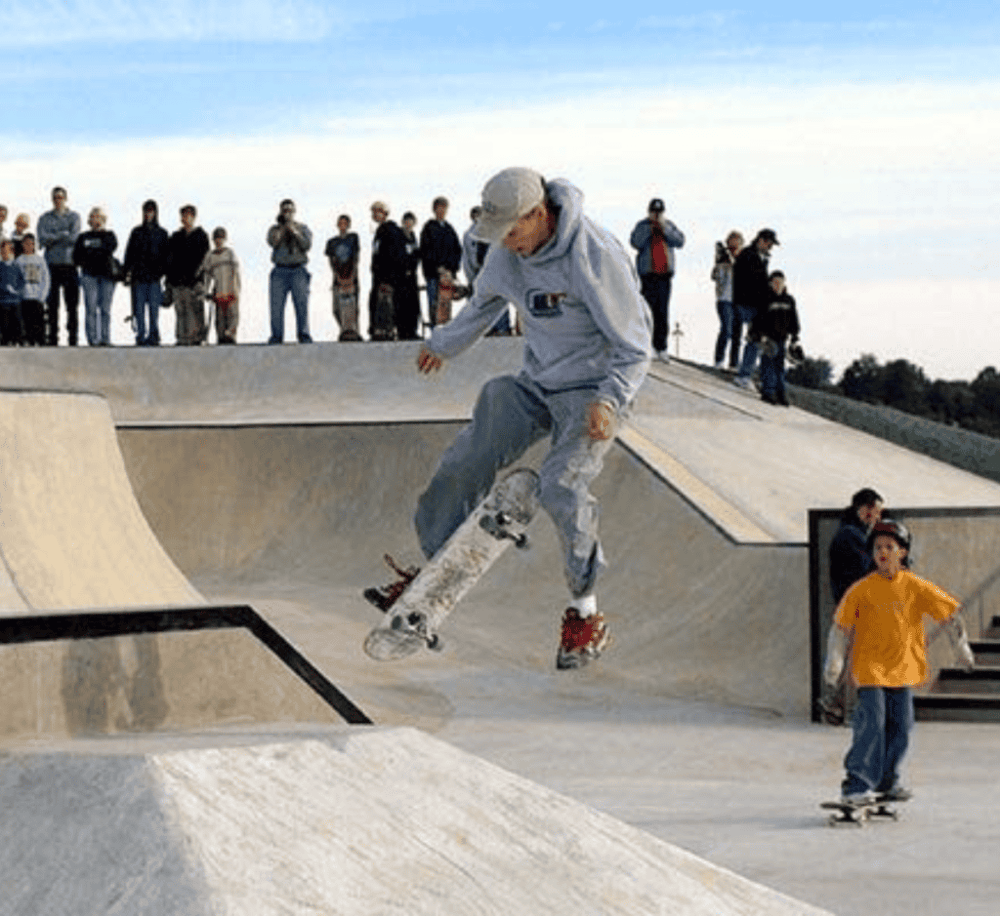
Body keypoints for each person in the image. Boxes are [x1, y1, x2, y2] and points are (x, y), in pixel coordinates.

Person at [365, 167, 651, 670]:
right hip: (537, 384)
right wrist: (442, 345)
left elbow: (635, 344)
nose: (507, 244)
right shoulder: (505, 253)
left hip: (594, 393)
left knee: (560, 487)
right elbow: (482, 307)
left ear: (538, 215)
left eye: (513, 232)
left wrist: (611, 398)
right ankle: (432, 572)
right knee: (469, 449)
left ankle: (586, 611)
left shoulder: (595, 254)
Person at [823, 519, 974, 804]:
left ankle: (887, 780)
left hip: (903, 668)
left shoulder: (916, 586)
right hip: (869, 669)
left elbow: (949, 615)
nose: (883, 552)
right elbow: (839, 628)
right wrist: (834, 661)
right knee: (872, 723)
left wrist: (961, 646)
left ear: (902, 552)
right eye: (878, 547)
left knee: (901, 728)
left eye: (889, 547)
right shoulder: (861, 589)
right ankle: (856, 784)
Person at [629, 197, 684, 362]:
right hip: (648, 275)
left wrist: (664, 228)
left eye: (659, 212)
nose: (656, 214)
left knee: (662, 311)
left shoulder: (669, 225)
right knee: (648, 311)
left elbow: (680, 241)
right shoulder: (642, 226)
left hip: (664, 276)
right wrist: (650, 229)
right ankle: (648, 345)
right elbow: (635, 242)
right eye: (654, 211)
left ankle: (662, 347)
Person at [732, 228, 779, 389]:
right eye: (769, 245)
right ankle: (743, 375)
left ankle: (745, 373)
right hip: (747, 303)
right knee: (754, 338)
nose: (770, 248)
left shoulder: (759, 257)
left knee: (755, 338)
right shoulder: (748, 256)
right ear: (761, 240)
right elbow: (753, 283)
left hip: (753, 304)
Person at [37, 186, 81, 346]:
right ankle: (53, 339)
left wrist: (53, 238)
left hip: (70, 265)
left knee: (72, 305)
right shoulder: (44, 218)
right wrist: (63, 234)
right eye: (55, 197)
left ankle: (73, 339)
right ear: (52, 199)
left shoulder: (74, 217)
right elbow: (41, 239)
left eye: (61, 197)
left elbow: (74, 238)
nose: (58, 200)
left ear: (66, 199)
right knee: (52, 305)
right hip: (51, 266)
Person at [123, 199, 169, 346]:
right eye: (146, 211)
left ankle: (154, 336)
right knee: (139, 310)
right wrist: (127, 273)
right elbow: (128, 254)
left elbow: (166, 257)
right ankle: (141, 336)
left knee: (154, 311)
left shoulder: (162, 233)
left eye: (151, 211)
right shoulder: (136, 232)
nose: (148, 214)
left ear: (155, 213)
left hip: (154, 278)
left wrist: (161, 273)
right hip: (138, 278)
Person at [266, 199, 313, 344]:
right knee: (276, 306)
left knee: (302, 304)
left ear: (294, 212)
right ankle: (276, 336)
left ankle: (303, 334)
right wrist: (282, 228)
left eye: (290, 210)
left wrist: (294, 231)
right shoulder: (274, 229)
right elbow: (272, 242)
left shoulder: (303, 228)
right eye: (284, 210)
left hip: (298, 269)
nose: (287, 213)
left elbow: (307, 245)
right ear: (280, 211)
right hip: (280, 270)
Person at [165, 205, 210, 346]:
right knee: (180, 312)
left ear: (194, 217)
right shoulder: (175, 237)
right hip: (177, 282)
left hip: (194, 282)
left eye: (188, 215)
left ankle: (196, 339)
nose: (185, 218)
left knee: (195, 311)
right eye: (183, 215)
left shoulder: (201, 236)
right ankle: (182, 339)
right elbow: (169, 260)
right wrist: (169, 281)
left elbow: (205, 260)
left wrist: (200, 280)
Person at [73, 207, 118, 347]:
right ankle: (93, 340)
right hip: (88, 276)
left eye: (98, 217)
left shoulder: (110, 235)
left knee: (105, 309)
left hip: (107, 277)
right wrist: (95, 253)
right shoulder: (83, 237)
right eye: (93, 217)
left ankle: (105, 338)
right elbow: (77, 256)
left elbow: (110, 248)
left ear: (103, 219)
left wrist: (91, 252)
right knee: (91, 308)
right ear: (89, 220)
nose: (96, 219)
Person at [755, 270, 800, 406]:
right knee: (768, 366)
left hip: (782, 338)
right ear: (770, 283)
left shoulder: (789, 300)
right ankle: (768, 393)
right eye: (775, 283)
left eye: (780, 282)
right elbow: (759, 319)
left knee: (780, 368)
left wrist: (795, 336)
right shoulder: (765, 299)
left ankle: (781, 394)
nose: (777, 285)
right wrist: (760, 335)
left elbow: (794, 319)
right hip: (768, 338)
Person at [419, 196, 463, 330]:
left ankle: (446, 332)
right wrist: (438, 267)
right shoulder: (428, 228)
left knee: (446, 305)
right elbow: (425, 250)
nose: (442, 210)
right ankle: (435, 331)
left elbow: (457, 250)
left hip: (448, 275)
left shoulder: (449, 229)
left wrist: (452, 269)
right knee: (434, 303)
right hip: (434, 273)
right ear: (434, 209)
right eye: (439, 207)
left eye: (444, 208)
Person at [368, 201, 406, 341]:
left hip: (387, 277)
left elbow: (393, 256)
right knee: (377, 304)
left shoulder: (391, 230)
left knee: (386, 304)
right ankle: (379, 330)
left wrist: (388, 278)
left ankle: (388, 331)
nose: (374, 214)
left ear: (384, 213)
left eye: (377, 211)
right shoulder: (379, 231)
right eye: (373, 212)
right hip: (378, 277)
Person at [201, 227, 241, 344]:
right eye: (216, 239)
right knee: (220, 320)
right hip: (218, 292)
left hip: (230, 290)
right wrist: (206, 291)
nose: (218, 241)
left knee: (232, 316)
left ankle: (231, 336)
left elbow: (236, 272)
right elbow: (207, 276)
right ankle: (221, 338)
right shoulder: (210, 256)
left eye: (221, 238)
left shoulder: (230, 253)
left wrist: (236, 289)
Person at [324, 214, 361, 341]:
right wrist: (337, 277)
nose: (343, 226)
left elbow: (356, 258)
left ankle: (353, 332)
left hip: (351, 277)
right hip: (338, 278)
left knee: (352, 307)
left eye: (345, 223)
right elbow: (331, 261)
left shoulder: (353, 238)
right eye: (340, 223)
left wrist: (352, 276)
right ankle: (344, 329)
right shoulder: (332, 242)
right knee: (336, 309)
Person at [710, 231, 743, 370]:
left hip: (740, 300)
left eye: (736, 242)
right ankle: (719, 360)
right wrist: (721, 264)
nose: (733, 246)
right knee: (726, 329)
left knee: (738, 333)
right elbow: (714, 277)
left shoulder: (745, 259)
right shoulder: (723, 258)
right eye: (731, 242)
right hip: (724, 298)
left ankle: (733, 364)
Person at [15, 233, 50, 346]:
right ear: (22, 245)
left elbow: (46, 278)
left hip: (37, 297)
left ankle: (40, 341)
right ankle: (27, 341)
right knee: (26, 321)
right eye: (26, 243)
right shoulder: (19, 261)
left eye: (31, 243)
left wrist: (43, 295)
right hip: (24, 297)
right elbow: (16, 279)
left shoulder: (40, 260)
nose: (29, 246)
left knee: (39, 321)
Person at [0, 239, 25, 345]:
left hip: (15, 301)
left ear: (12, 251)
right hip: (3, 301)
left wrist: (16, 291)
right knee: (5, 323)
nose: (5, 254)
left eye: (7, 251)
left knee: (17, 322)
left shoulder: (16, 266)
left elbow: (22, 282)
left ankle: (18, 340)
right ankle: (6, 340)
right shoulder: (0, 267)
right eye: (2, 251)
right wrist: (5, 289)